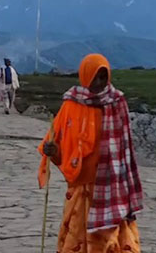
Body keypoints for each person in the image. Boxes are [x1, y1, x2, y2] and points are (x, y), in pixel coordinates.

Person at [38, 54, 143, 253]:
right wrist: (53, 151)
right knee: (77, 233)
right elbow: (58, 145)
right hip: (81, 185)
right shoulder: (71, 105)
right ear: (85, 76)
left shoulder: (117, 102)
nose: (98, 83)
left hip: (110, 188)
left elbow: (125, 151)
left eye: (103, 77)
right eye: (94, 77)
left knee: (110, 240)